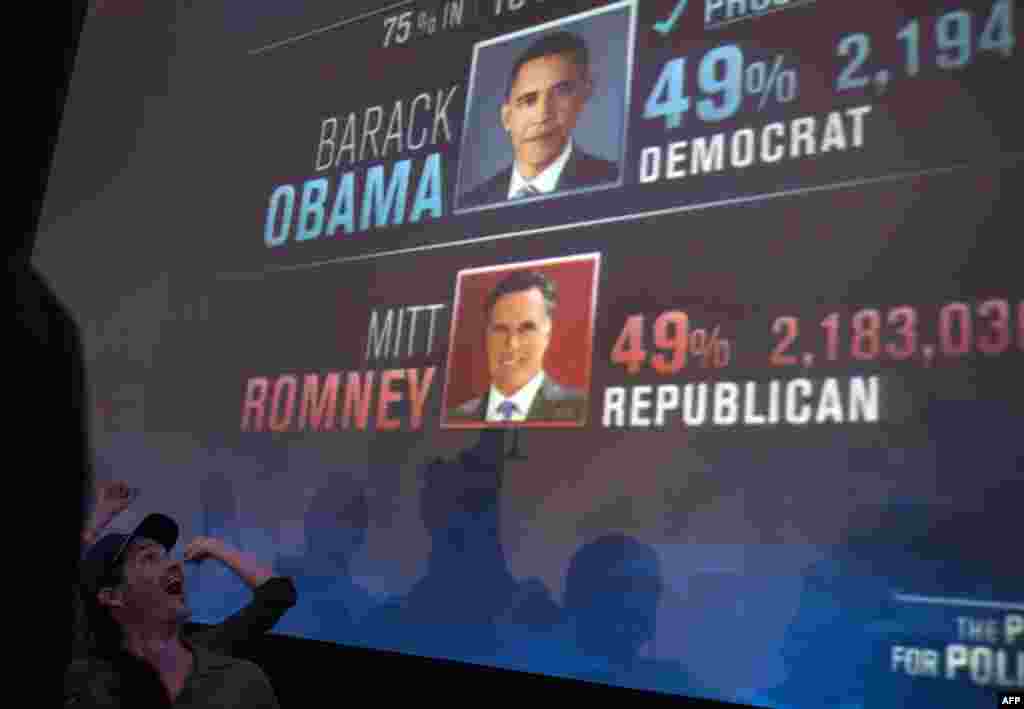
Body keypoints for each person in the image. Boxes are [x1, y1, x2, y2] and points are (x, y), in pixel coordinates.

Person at [66, 512, 281, 707]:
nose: (174, 564)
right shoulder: (85, 686)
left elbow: (278, 595)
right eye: (149, 558)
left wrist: (213, 546)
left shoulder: (240, 678)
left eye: (166, 556)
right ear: (113, 595)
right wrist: (101, 515)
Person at [460, 31, 619, 208]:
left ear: (583, 96)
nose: (543, 115)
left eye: (561, 93)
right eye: (528, 100)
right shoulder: (472, 202)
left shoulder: (613, 180)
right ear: (506, 118)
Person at [447, 270, 587, 423]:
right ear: (486, 335)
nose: (512, 344)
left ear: (547, 334)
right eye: (501, 329)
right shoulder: (455, 417)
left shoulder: (582, 409)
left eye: (526, 329)